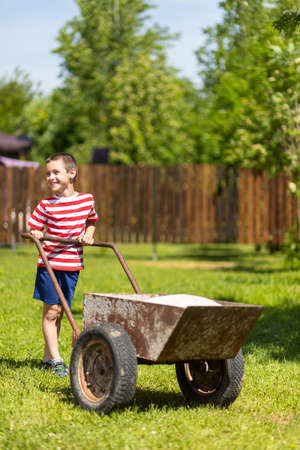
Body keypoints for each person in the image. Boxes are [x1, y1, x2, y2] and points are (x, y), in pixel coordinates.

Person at [28, 152, 99, 377]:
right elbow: (33, 227)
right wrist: (37, 233)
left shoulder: (86, 200)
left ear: (71, 173)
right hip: (48, 263)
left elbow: (92, 221)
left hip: (72, 265)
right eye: (47, 174)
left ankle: (48, 358)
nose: (50, 177)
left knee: (61, 312)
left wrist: (88, 234)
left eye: (55, 172)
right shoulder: (46, 205)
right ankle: (57, 360)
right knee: (51, 312)